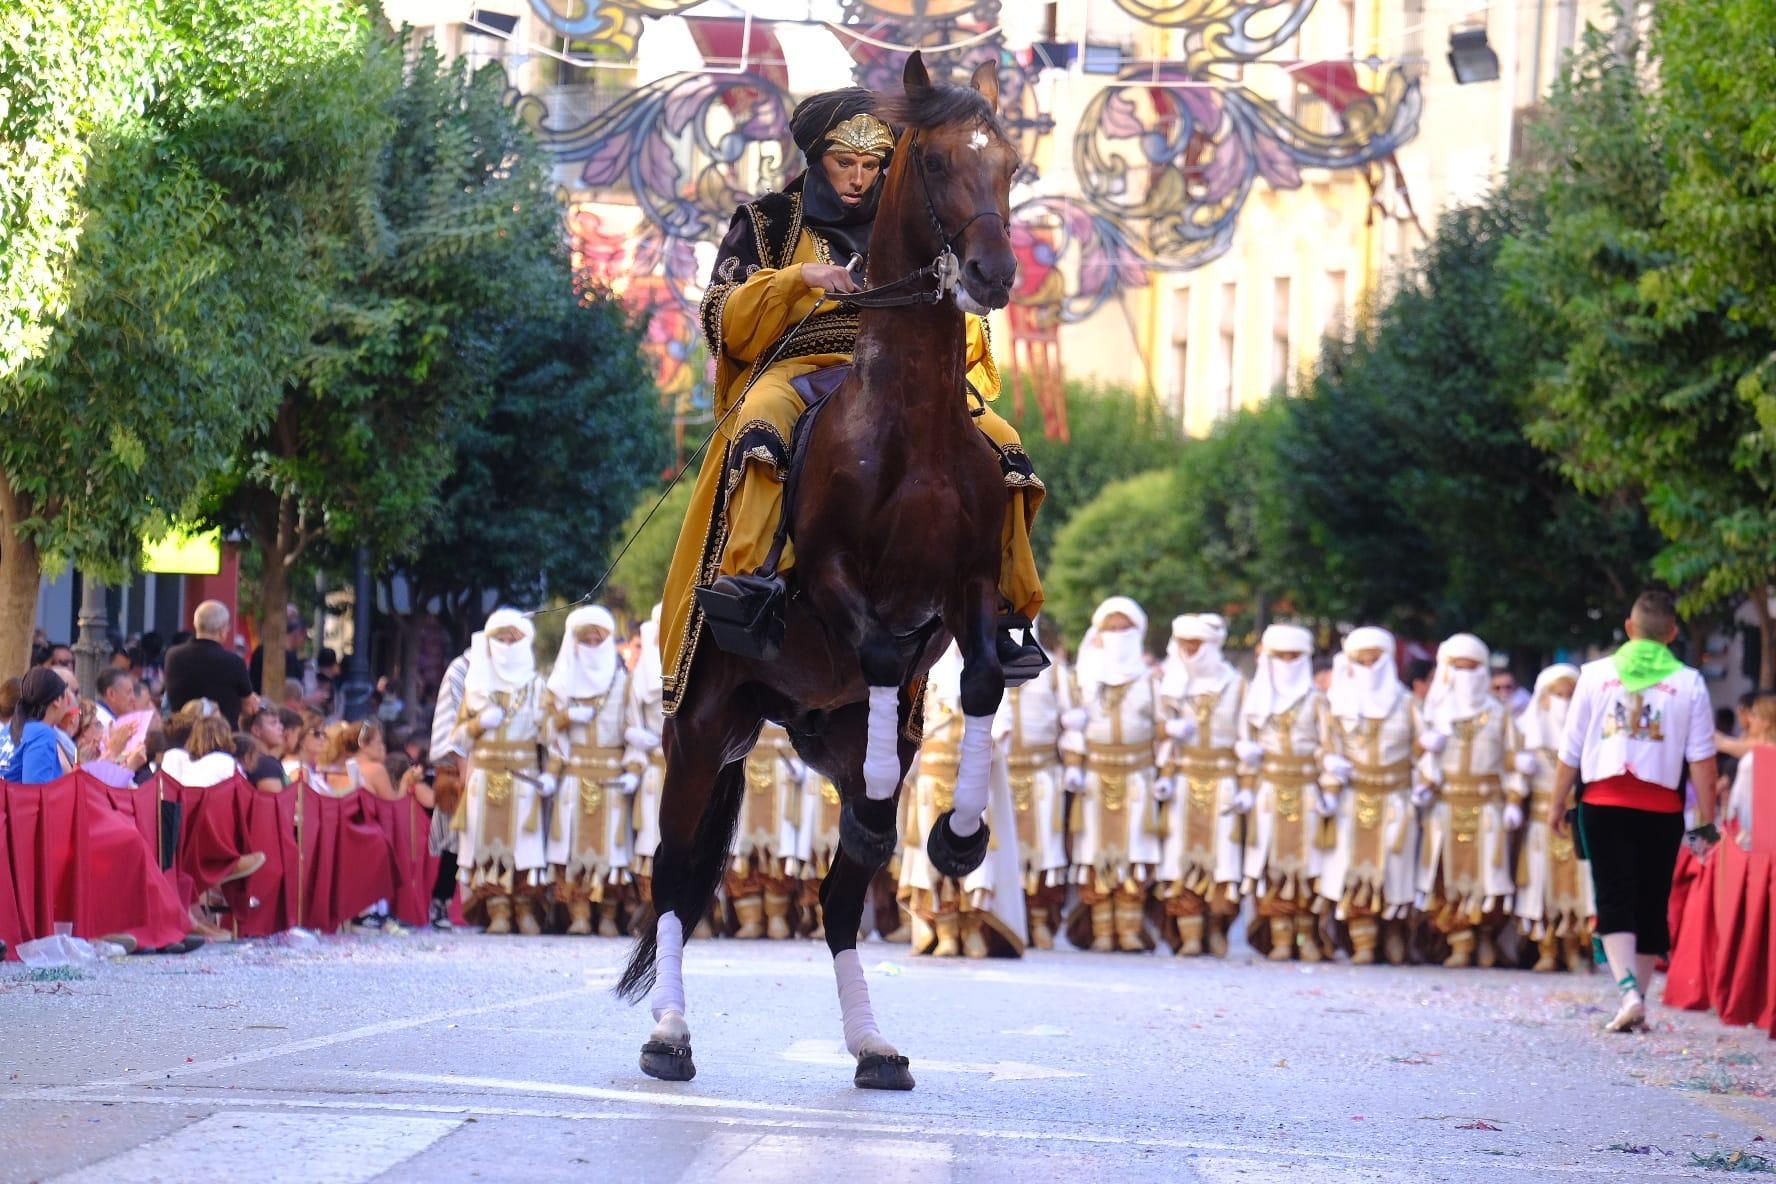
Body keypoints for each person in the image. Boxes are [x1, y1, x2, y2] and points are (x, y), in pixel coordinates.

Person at [657, 87, 1046, 715]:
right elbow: (718, 314)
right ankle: (750, 579)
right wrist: (799, 278)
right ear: (817, 160)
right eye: (845, 164)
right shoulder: (769, 221)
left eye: (872, 166)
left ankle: (1002, 603)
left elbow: (964, 312)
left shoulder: (915, 218)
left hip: (905, 378)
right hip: (799, 367)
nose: (860, 179)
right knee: (759, 425)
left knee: (1003, 445)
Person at [1550, 590, 1719, 1033]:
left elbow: (1570, 749)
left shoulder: (1594, 675)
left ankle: (1628, 994)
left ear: (1629, 628)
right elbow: (1703, 759)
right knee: (1650, 901)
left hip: (1602, 803)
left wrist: (1555, 803)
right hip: (1663, 808)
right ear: (1672, 633)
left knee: (1612, 896)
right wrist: (1707, 822)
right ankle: (1637, 998)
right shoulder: (1689, 682)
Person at [900, 642, 1025, 957]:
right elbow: (909, 721)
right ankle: (945, 930)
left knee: (976, 853)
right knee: (930, 855)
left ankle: (972, 930)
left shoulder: (990, 667)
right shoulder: (923, 668)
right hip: (932, 772)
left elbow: (1004, 721)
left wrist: (992, 740)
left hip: (974, 771)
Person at [1418, 633, 1530, 969]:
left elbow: (1513, 760)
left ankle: (1486, 940)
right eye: (1458, 668)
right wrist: (1425, 768)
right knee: (1445, 878)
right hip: (1445, 807)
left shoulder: (1499, 713)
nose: (1466, 675)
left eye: (1473, 668)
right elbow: (1419, 761)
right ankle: (1459, 943)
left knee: (1490, 877)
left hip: (1488, 807)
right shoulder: (1433, 712)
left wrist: (1513, 800)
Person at [1062, 597, 1163, 953]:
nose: (1118, 636)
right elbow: (1071, 729)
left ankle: (1131, 931)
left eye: (1126, 629)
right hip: (1094, 779)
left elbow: (1163, 732)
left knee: (1135, 854)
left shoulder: (1151, 682)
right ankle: (1103, 933)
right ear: (1099, 633)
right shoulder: (1081, 680)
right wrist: (1073, 766)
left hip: (1138, 779)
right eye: (1111, 629)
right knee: (1094, 856)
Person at [1316, 627, 1419, 965]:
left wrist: (1423, 784)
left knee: (1394, 870)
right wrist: (1329, 778)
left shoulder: (1407, 703)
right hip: (1352, 799)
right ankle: (1362, 943)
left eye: (1375, 661)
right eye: (1361, 661)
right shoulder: (1336, 704)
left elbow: (1424, 752)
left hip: (1396, 800)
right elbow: (1326, 746)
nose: (1368, 667)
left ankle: (1393, 936)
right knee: (1352, 871)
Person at [543, 606, 642, 938]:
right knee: (572, 850)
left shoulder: (624, 682)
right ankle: (580, 914)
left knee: (613, 853)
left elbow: (634, 728)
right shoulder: (558, 686)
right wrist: (566, 717)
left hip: (612, 777)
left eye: (598, 640)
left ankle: (609, 917)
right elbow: (544, 731)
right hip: (573, 776)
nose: (592, 645)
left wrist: (633, 769)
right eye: (586, 640)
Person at [1239, 623, 1336, 963]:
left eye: (1294, 657)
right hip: (1268, 792)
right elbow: (1246, 747)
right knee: (1273, 867)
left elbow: (1328, 748)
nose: (1287, 663)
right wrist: (1247, 787)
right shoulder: (1255, 701)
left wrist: (1330, 789)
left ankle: (1307, 936)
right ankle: (1280, 939)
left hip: (1307, 791)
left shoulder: (1317, 702)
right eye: (1280, 657)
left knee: (1308, 867)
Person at [452, 609, 551, 936]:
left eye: (513, 639)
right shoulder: (475, 686)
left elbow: (552, 737)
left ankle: (525, 910)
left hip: (523, 777)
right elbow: (458, 737)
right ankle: (496, 911)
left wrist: (550, 766)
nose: (507, 645)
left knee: (525, 845)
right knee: (487, 845)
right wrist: (479, 723)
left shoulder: (537, 687)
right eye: (501, 639)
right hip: (484, 776)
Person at [1155, 614, 1247, 958]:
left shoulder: (1237, 685)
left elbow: (1247, 735)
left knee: (1223, 860)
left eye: (1197, 645)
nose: (1190, 652)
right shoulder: (1168, 685)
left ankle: (1217, 928)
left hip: (1224, 781)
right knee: (1180, 859)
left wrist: (1246, 783)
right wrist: (1166, 739)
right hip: (1183, 781)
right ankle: (1189, 934)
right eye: (1184, 645)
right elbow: (1155, 734)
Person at [994, 616, 1074, 950]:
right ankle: (1005, 918)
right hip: (999, 775)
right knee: (997, 849)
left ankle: (1040, 922)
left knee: (1043, 853)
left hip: (1043, 775)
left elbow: (1073, 723)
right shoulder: (980, 663)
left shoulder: (1054, 672)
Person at [1514, 664, 1592, 972]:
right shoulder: (1524, 731)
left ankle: (1574, 948)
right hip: (1538, 821)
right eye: (1557, 695)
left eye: (1570, 695)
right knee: (1538, 883)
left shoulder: (1591, 734)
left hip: (1577, 820)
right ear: (1543, 697)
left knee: (1579, 885)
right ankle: (1545, 949)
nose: (1563, 701)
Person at [729, 722, 806, 940]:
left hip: (784, 767)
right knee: (741, 850)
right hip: (743, 763)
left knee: (779, 849)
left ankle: (777, 916)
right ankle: (750, 918)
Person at [426, 645, 472, 931]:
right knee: (452, 839)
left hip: (503, 769)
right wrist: (464, 767)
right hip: (460, 770)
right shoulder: (461, 669)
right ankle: (441, 903)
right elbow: (450, 724)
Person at [164, 600, 256, 728]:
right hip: (222, 738)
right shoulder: (234, 663)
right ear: (222, 630)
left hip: (183, 736)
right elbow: (249, 705)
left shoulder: (172, 656)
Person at [4, 667, 79, 781]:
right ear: (57, 701)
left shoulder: (9, 728)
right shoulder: (41, 733)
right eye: (67, 699)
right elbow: (36, 791)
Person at [1723, 695, 1775, 842]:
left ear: (1766, 722)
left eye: (1754, 715)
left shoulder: (1767, 750)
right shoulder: (1757, 748)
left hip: (1751, 828)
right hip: (1743, 824)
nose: (1750, 719)